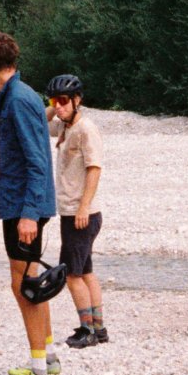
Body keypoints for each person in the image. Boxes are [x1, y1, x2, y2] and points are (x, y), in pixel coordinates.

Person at [0, 31, 59, 375]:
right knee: (31, 281)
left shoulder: (19, 99)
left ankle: (40, 372)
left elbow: (37, 162)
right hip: (16, 200)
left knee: (24, 286)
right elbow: (11, 161)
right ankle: (49, 356)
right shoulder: (10, 96)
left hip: (28, 205)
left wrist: (27, 213)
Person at [43, 74, 107, 349]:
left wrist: (82, 207)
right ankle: (99, 328)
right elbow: (42, 122)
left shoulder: (85, 129)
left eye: (64, 100)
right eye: (55, 100)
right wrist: (54, 103)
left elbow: (94, 168)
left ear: (78, 100)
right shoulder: (66, 126)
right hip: (74, 212)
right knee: (87, 271)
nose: (58, 106)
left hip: (81, 214)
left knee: (72, 275)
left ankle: (87, 330)